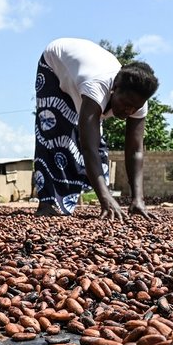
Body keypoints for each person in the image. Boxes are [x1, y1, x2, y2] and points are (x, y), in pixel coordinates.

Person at [33, 38, 159, 220]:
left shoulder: (138, 102)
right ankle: (46, 203)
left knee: (98, 144)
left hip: (84, 72)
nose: (129, 111)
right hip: (54, 64)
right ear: (114, 88)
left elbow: (135, 151)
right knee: (53, 132)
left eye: (135, 107)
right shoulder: (96, 86)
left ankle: (89, 199)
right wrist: (105, 198)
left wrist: (138, 198)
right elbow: (87, 147)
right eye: (125, 104)